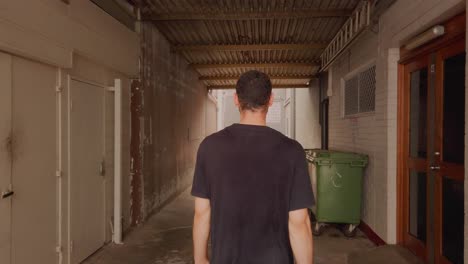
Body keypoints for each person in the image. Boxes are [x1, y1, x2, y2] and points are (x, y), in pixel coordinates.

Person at [192, 70, 315, 264]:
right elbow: (299, 222)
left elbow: (202, 212)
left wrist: (200, 260)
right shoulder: (292, 151)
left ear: (236, 99)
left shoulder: (209, 147)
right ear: (271, 100)